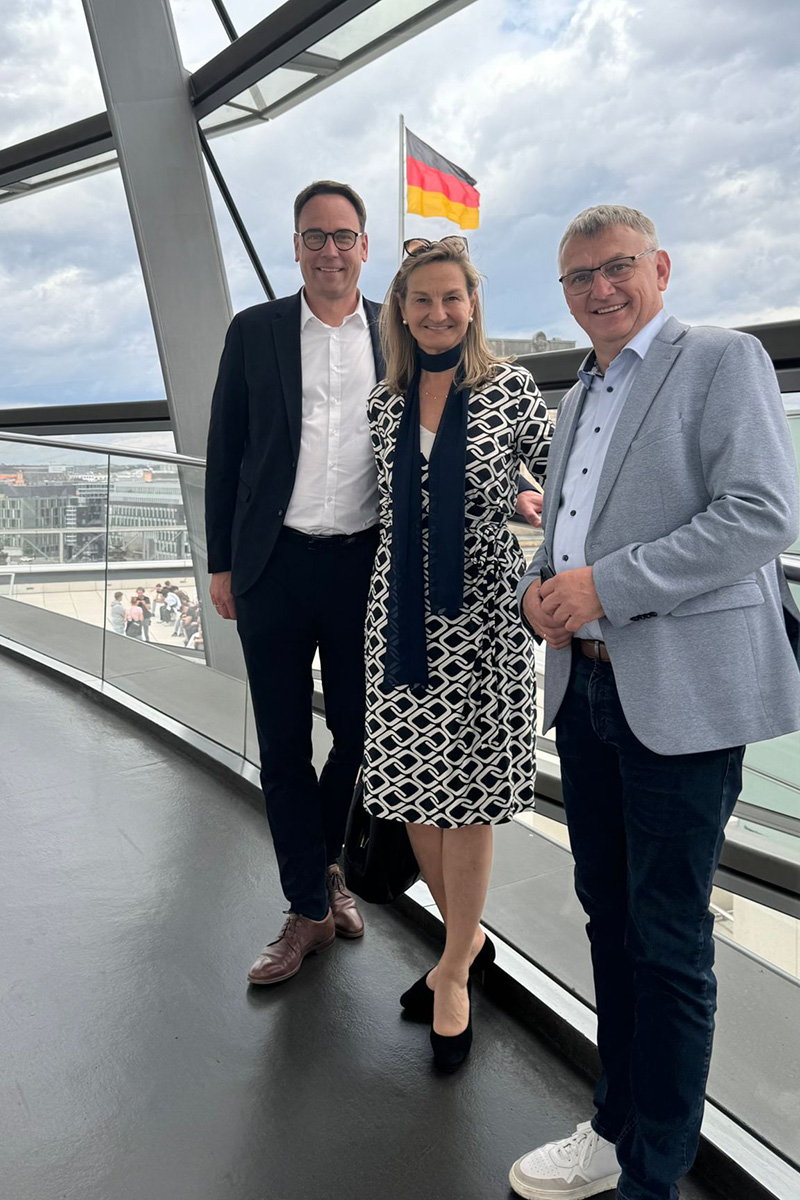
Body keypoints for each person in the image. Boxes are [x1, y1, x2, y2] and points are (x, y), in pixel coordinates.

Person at [510, 205, 800, 1200]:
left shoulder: (719, 360)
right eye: (579, 276)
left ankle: (654, 1174)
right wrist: (539, 591)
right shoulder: (581, 393)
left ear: (660, 269)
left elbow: (760, 514)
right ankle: (615, 1126)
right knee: (608, 918)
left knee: (667, 940)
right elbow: (567, 533)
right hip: (585, 686)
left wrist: (606, 586)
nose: (599, 288)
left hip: (679, 696)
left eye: (617, 266)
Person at [363, 236, 552, 1071]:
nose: (438, 312)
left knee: (468, 798)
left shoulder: (510, 388)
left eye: (452, 297)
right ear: (401, 313)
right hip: (399, 614)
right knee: (414, 787)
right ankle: (464, 947)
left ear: (472, 305)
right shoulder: (384, 403)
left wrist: (528, 496)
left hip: (484, 616)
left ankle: (451, 975)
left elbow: (569, 475)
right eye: (423, 299)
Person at [205, 180, 384, 984]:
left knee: (359, 736)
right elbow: (226, 452)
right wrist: (222, 562)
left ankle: (327, 868)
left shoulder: (397, 331)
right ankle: (308, 907)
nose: (330, 251)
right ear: (297, 246)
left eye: (343, 236)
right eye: (315, 236)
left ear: (365, 246)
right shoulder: (256, 331)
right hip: (272, 567)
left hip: (362, 569)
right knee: (282, 745)